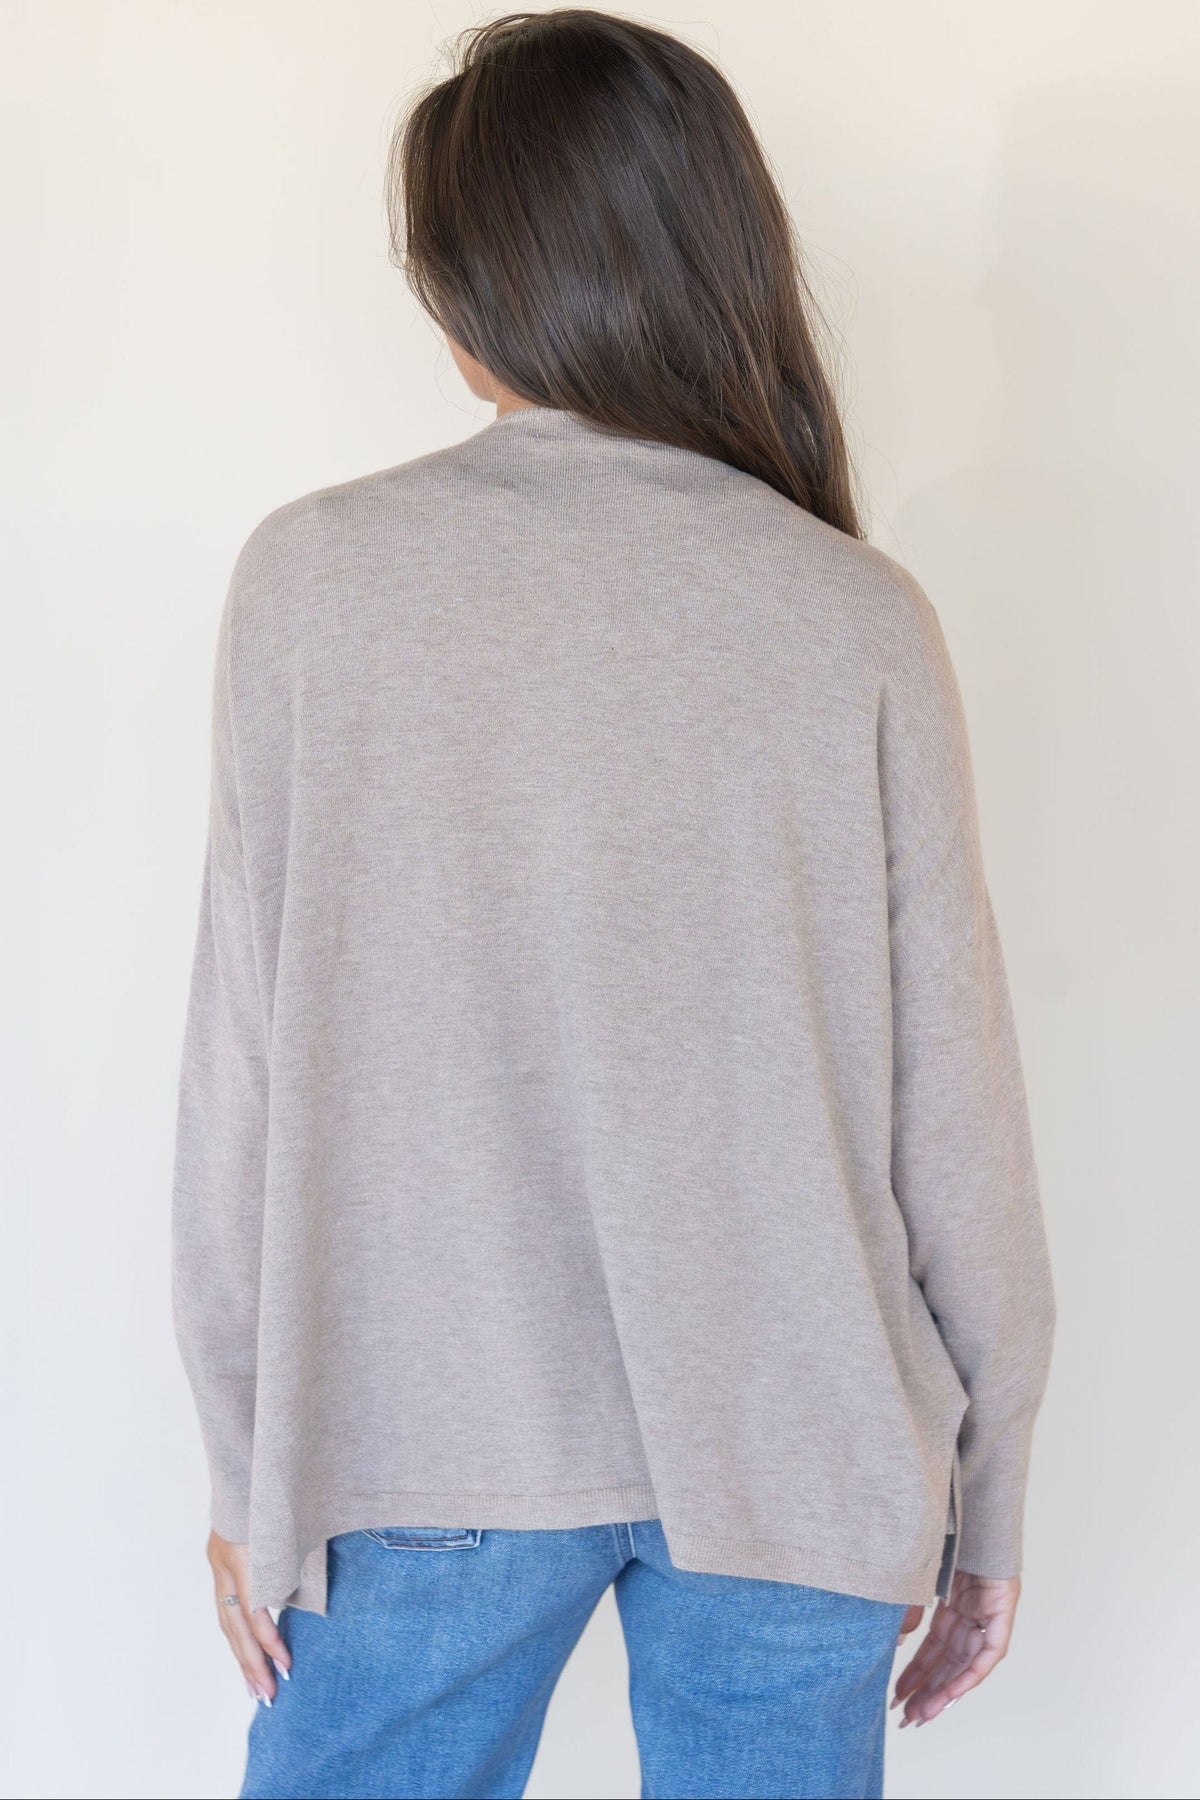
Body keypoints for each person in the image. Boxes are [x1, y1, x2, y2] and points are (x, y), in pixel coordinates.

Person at [171, 11, 1055, 1799]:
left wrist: (254, 1463)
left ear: (473, 280)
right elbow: (955, 1118)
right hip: (803, 1452)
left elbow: (240, 1078)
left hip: (416, 1439)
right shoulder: (854, 614)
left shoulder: (314, 583)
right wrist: (989, 1497)